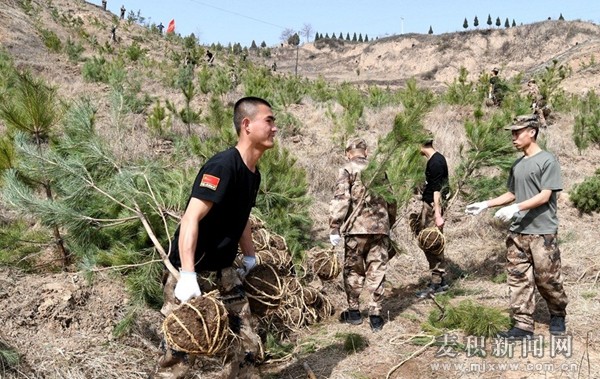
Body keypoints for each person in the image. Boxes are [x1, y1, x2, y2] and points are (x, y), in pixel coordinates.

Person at [155, 97, 277, 378]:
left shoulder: (252, 173)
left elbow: (242, 215)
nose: (274, 128)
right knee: (181, 352)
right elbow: (190, 219)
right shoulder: (223, 167)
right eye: (269, 121)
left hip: (224, 270)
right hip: (190, 269)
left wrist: (249, 255)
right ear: (247, 125)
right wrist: (187, 275)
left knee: (245, 341)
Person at [465, 115, 568, 339]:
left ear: (532, 132)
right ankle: (523, 325)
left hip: (542, 232)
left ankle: (557, 312)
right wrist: (486, 204)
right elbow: (512, 192)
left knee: (547, 279)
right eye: (512, 132)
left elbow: (544, 195)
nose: (513, 137)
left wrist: (516, 208)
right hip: (518, 232)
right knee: (518, 278)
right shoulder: (518, 164)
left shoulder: (547, 161)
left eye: (517, 132)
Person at [329, 138, 397, 332]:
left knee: (353, 270)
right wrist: (388, 222)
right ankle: (375, 315)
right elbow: (391, 200)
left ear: (348, 153)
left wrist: (334, 227)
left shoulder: (347, 170)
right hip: (379, 229)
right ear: (365, 152)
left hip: (356, 230)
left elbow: (341, 199)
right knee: (377, 269)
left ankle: (354, 313)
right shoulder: (378, 169)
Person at [412, 131, 450, 298]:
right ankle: (440, 280)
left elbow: (437, 191)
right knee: (432, 241)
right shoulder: (436, 159)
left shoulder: (435, 163)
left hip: (433, 206)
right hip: (432, 205)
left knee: (431, 242)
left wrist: (437, 213)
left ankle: (435, 284)